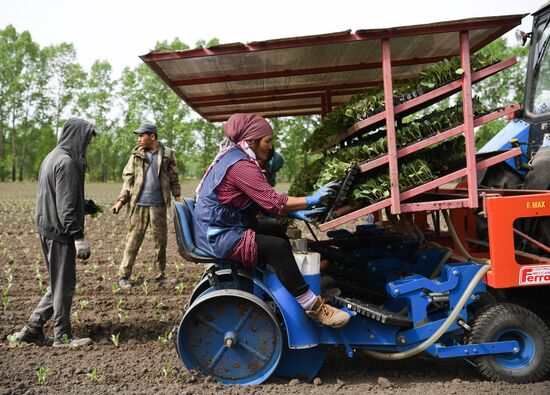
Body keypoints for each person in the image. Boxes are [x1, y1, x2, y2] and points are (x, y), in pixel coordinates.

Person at [194, 113, 350, 329]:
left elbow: (257, 200)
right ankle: (314, 307)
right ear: (251, 140)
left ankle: (281, 278)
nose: (271, 146)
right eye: (267, 140)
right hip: (219, 235)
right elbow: (271, 201)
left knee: (276, 228)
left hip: (222, 225)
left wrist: (292, 212)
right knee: (276, 247)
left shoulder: (233, 156)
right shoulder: (240, 166)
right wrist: (310, 200)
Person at [16, 118, 96, 347]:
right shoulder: (68, 163)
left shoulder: (52, 157)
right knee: (65, 284)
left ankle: (33, 328)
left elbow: (59, 196)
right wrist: (78, 237)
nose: (87, 146)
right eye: (87, 140)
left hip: (47, 228)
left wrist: (84, 205)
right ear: (78, 137)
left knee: (58, 283)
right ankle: (63, 336)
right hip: (60, 232)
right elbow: (66, 208)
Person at [112, 123, 181, 288]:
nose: (139, 139)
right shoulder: (136, 156)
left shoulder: (167, 154)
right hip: (139, 205)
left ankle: (160, 276)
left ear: (152, 136)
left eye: (142, 135)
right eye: (138, 136)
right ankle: (124, 276)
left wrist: (178, 198)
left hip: (159, 205)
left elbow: (174, 178)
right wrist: (120, 202)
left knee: (161, 242)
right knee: (133, 241)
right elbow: (128, 182)